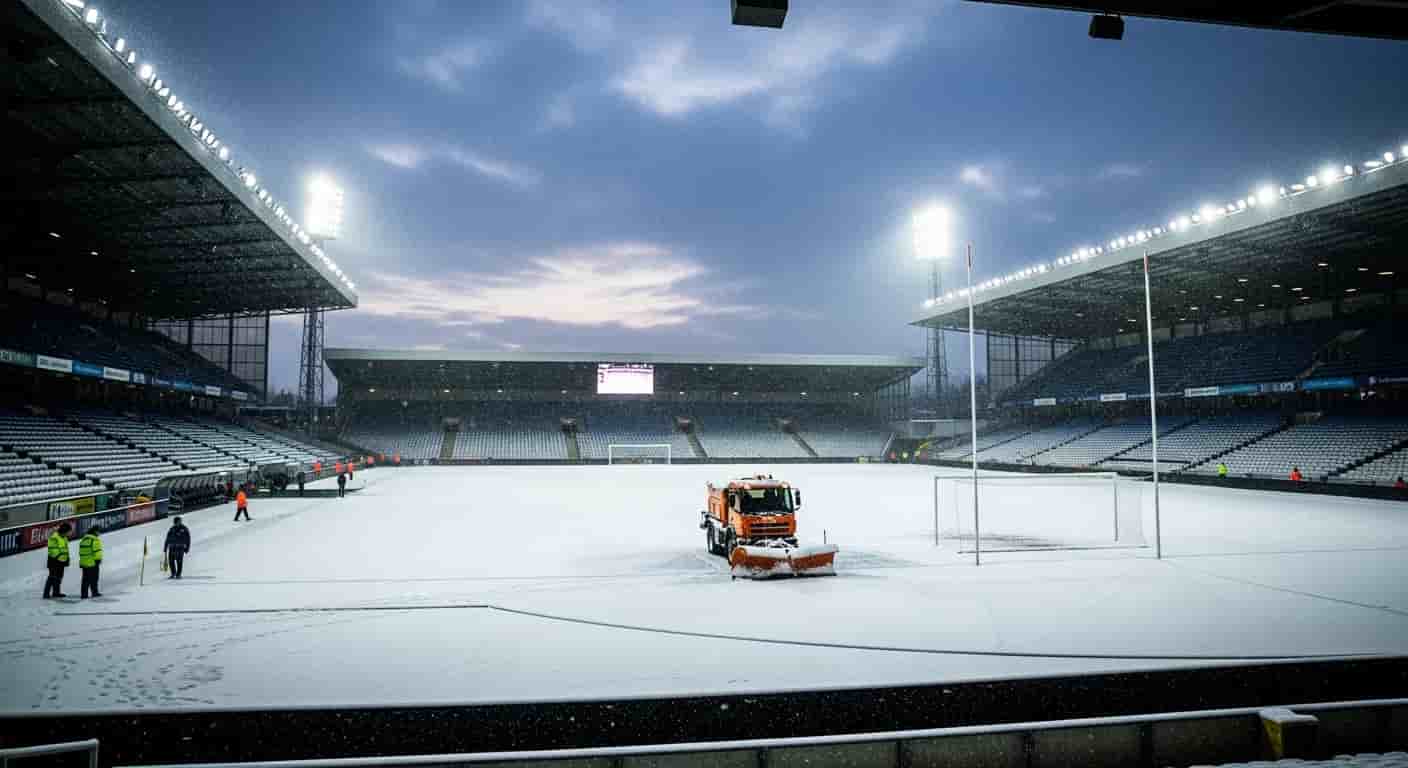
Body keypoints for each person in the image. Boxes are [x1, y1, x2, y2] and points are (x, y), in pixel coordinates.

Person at [43, 522, 72, 599]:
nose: (70, 533)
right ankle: (46, 593)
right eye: (69, 531)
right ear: (64, 530)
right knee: (52, 577)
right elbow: (53, 550)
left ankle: (56, 592)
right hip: (54, 560)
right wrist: (59, 557)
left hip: (61, 560)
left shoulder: (64, 538)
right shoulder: (54, 537)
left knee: (59, 576)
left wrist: (67, 558)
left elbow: (65, 549)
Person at [79, 525, 104, 599]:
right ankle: (95, 592)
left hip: (84, 562)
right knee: (94, 578)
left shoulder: (83, 540)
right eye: (99, 532)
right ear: (95, 531)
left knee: (85, 579)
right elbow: (97, 552)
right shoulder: (95, 540)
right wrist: (98, 560)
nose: (99, 533)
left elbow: (81, 551)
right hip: (93, 562)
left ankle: (84, 594)